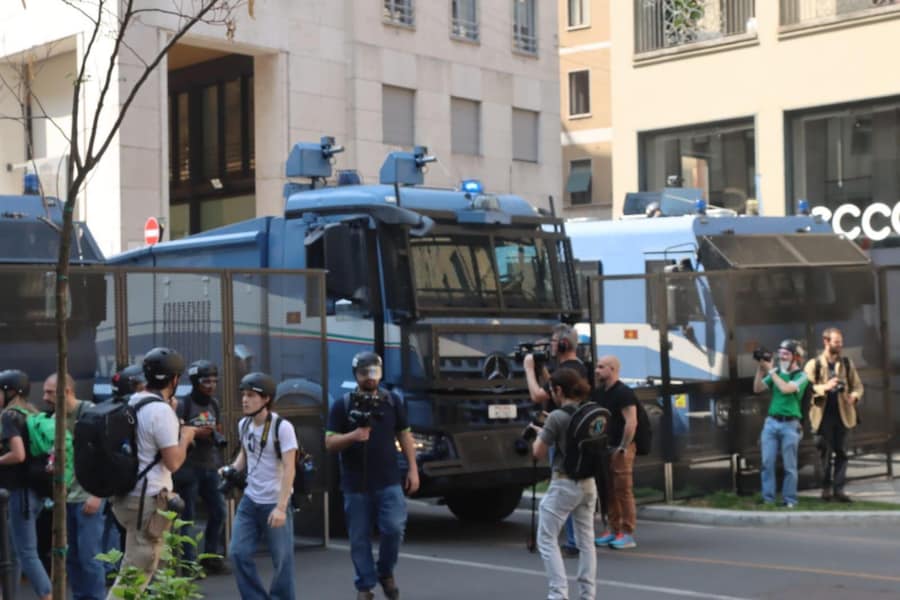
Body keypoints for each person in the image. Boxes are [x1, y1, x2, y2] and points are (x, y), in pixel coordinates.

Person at [325, 352, 419, 600]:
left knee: (393, 528)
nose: (369, 377)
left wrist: (413, 468)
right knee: (359, 538)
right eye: (364, 372)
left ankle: (385, 572)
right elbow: (329, 442)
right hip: (355, 484)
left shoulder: (392, 401)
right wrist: (353, 436)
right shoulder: (343, 404)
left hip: (388, 479)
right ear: (356, 375)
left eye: (374, 372)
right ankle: (364, 586)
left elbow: (404, 435)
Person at [108, 347, 196, 598]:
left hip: (126, 496)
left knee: (142, 567)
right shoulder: (161, 412)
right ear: (175, 379)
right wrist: (186, 436)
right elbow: (173, 462)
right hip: (147, 501)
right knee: (135, 577)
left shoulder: (134, 401)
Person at [225, 372, 297, 600]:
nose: (244, 400)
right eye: (243, 395)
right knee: (237, 553)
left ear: (266, 399)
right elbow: (244, 457)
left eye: (251, 395)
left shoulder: (282, 428)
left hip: (274, 502)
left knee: (282, 561)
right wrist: (230, 470)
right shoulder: (243, 425)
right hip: (250, 501)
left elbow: (289, 468)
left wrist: (281, 507)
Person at [532, 368, 598, 600]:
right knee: (586, 540)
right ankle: (587, 595)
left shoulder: (557, 417)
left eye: (552, 391)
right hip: (589, 482)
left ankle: (558, 594)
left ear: (559, 390)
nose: (551, 395)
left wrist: (540, 435)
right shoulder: (589, 411)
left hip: (564, 483)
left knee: (546, 538)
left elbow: (538, 452)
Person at [524, 324, 587, 556]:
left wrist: (529, 370)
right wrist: (544, 373)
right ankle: (577, 540)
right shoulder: (576, 367)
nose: (550, 346)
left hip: (560, 430)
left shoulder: (568, 369)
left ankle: (570, 541)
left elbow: (538, 395)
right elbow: (555, 387)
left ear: (562, 344)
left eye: (552, 342)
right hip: (574, 430)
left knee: (562, 484)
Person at [43, 372, 106, 600]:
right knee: (71, 557)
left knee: (90, 557)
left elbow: (104, 457)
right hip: (65, 498)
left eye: (50, 392)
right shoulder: (53, 420)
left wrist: (98, 494)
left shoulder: (89, 414)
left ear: (67, 392)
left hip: (87, 496)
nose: (45, 397)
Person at [0, 369, 51, 600]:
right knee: (12, 552)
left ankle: (48, 596)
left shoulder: (8, 416)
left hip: (20, 493)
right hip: (35, 492)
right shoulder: (31, 413)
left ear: (10, 392)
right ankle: (10, 595)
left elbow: (18, 454)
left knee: (27, 552)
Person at [173, 360, 228, 573]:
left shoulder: (214, 404)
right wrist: (196, 432)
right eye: (206, 381)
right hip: (189, 467)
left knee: (219, 512)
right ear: (196, 382)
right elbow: (176, 433)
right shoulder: (184, 404)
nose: (211, 385)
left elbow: (218, 427)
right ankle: (188, 565)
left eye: (215, 381)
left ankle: (211, 558)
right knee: (188, 517)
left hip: (210, 465)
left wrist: (214, 432)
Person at [803, 328, 863, 503]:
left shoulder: (846, 363)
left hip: (843, 415)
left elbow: (858, 386)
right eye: (836, 342)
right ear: (826, 341)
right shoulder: (814, 364)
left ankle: (839, 490)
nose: (840, 345)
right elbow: (806, 388)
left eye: (841, 341)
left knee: (842, 453)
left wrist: (854, 396)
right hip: (822, 417)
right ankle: (825, 489)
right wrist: (825, 387)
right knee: (825, 455)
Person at [101, 364, 146, 579]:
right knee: (132, 537)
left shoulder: (109, 409)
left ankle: (118, 572)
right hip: (129, 484)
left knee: (118, 532)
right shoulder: (130, 413)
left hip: (115, 483)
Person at [753, 339, 809, 508]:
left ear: (796, 357)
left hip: (790, 425)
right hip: (771, 423)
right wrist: (761, 368)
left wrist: (771, 372)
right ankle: (768, 499)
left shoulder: (801, 376)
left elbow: (786, 389)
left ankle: (789, 500)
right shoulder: (775, 371)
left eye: (786, 354)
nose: (782, 357)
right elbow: (757, 389)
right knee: (766, 463)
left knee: (790, 466)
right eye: (780, 353)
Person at [591, 355, 638, 550]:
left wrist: (623, 447)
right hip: (606, 447)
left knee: (623, 490)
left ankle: (627, 533)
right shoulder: (600, 393)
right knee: (608, 490)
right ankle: (613, 528)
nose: (597, 370)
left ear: (612, 369)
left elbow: (631, 421)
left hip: (621, 448)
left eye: (601, 367)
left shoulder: (624, 392)